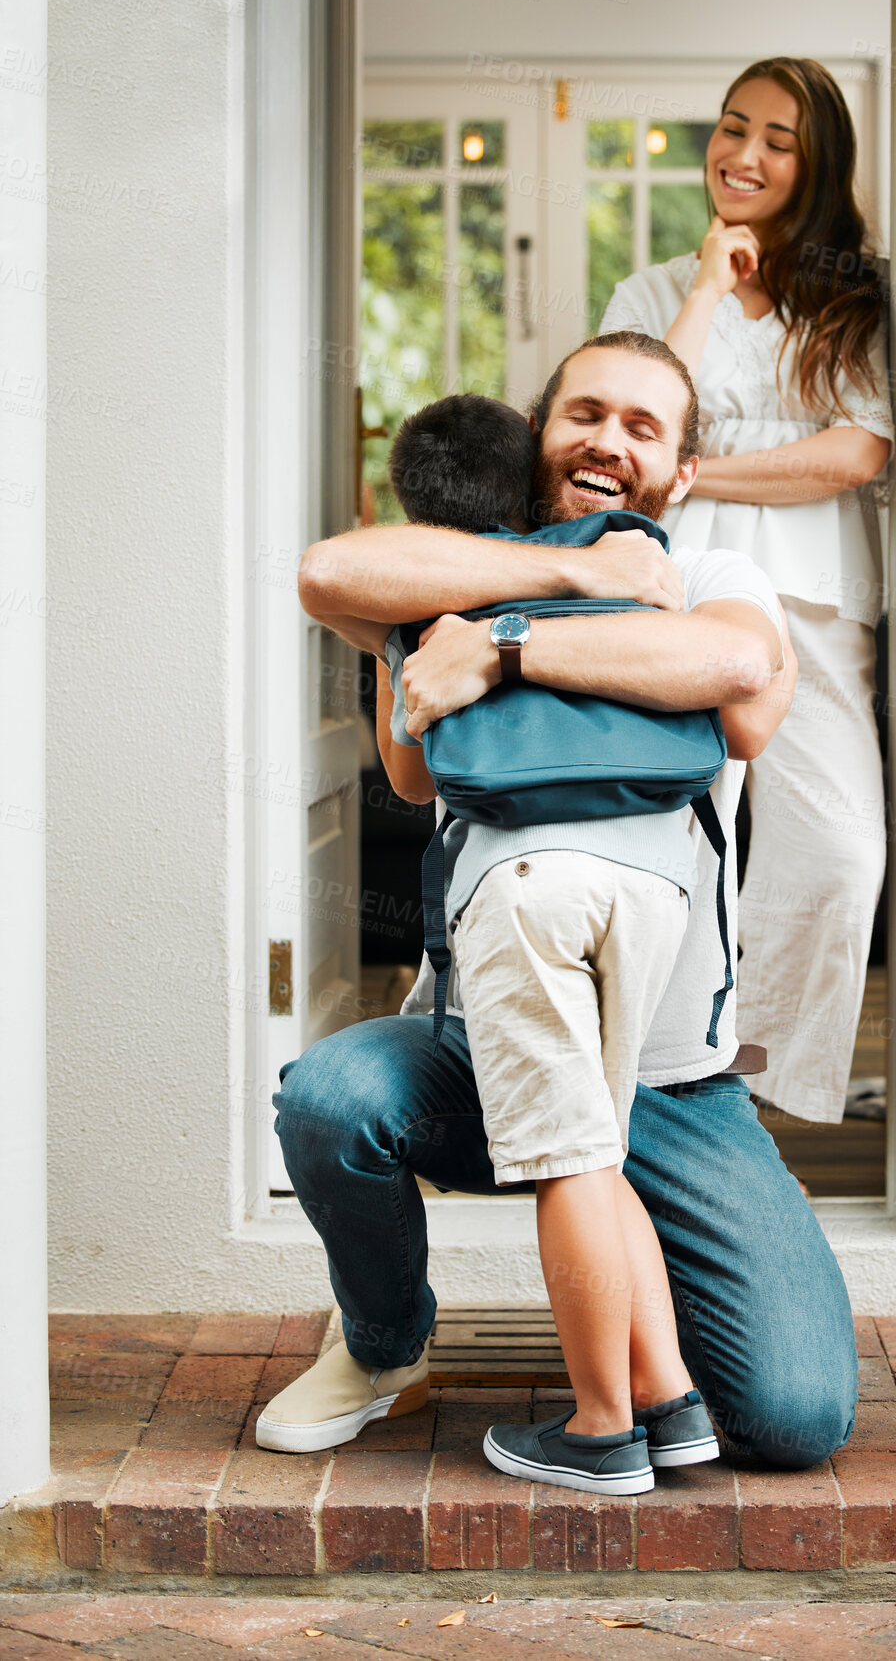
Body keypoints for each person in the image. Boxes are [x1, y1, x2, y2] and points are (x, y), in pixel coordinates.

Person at [257, 331, 859, 1473]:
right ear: (540, 433)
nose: (608, 441)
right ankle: (385, 1340)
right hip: (480, 1043)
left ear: (681, 475)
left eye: (644, 428)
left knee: (793, 1417)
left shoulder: (713, 579)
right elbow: (327, 575)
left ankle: (642, 1352)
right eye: (585, 413)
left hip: (672, 1077)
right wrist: (564, 576)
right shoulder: (466, 577)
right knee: (331, 1102)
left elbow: (735, 680)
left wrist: (511, 653)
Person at [376, 386, 726, 1493]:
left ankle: (598, 1429)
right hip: (650, 878)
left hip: (526, 883)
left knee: (565, 1158)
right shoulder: (632, 555)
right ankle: (669, 1403)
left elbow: (409, 773)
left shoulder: (444, 590)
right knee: (599, 1145)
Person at [598, 57, 894, 1127]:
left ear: (815, 166)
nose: (746, 154)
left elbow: (854, 453)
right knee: (681, 835)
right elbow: (644, 418)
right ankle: (673, 1070)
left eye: (778, 139)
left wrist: (698, 471)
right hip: (679, 600)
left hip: (814, 603)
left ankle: (768, 1074)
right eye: (732, 128)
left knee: (839, 849)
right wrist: (708, 287)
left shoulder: (856, 293)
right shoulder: (651, 291)